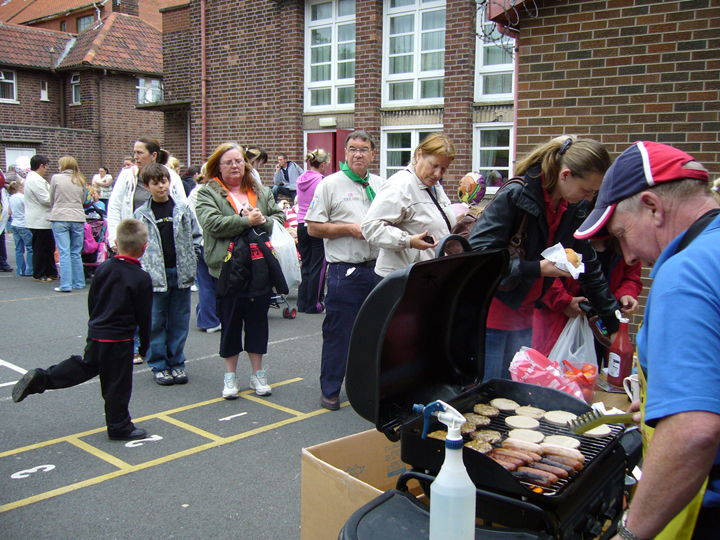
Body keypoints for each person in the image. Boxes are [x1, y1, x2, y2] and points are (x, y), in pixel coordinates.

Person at [573, 141, 720, 540]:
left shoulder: (684, 275)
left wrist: (630, 534)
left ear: (653, 207)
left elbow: (695, 431)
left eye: (621, 234)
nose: (630, 255)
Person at [468, 135, 621, 381]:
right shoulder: (516, 195)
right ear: (566, 175)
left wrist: (614, 326)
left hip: (525, 315)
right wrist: (536, 269)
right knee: (486, 395)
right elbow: (477, 260)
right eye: (587, 190)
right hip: (491, 316)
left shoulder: (574, 207)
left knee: (513, 393)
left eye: (595, 193)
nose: (589, 199)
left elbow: (589, 265)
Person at [12, 218, 153, 441]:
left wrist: (94, 325)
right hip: (120, 339)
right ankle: (119, 425)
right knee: (117, 384)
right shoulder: (141, 278)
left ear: (115, 243)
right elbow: (144, 316)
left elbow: (93, 300)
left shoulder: (104, 268)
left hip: (98, 332)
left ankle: (43, 378)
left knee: (86, 366)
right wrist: (144, 345)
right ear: (144, 248)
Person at [195, 142, 285, 399]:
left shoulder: (262, 191)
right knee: (231, 323)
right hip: (227, 269)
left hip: (260, 268)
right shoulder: (207, 193)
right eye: (228, 162)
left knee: (258, 324)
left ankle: (258, 374)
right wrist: (246, 220)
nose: (234, 166)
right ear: (217, 167)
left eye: (238, 161)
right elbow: (212, 223)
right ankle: (230, 377)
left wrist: (264, 220)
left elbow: (279, 217)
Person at [305, 130, 384, 410]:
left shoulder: (380, 184)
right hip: (345, 272)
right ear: (345, 154)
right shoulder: (329, 185)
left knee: (375, 333)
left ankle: (366, 387)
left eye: (364, 149)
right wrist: (349, 230)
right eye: (352, 149)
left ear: (373, 155)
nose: (358, 154)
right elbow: (313, 227)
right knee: (339, 332)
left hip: (378, 269)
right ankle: (330, 389)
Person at [134, 163, 201, 386]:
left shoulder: (182, 209)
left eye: (164, 181)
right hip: (155, 277)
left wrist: (194, 258)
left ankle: (177, 363)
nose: (161, 186)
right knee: (155, 322)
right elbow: (137, 245)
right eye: (155, 183)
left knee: (179, 321)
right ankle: (159, 365)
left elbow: (196, 236)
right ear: (147, 186)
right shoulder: (141, 214)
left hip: (181, 273)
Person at [362, 132, 457, 280]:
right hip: (401, 279)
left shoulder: (434, 186)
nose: (438, 174)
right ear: (419, 155)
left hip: (425, 276)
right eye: (434, 165)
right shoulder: (400, 185)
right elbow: (370, 227)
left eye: (444, 168)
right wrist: (408, 241)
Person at [532, 235, 642, 358]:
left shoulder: (624, 242)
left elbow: (631, 276)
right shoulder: (569, 231)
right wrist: (565, 301)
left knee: (591, 369)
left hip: (602, 322)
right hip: (558, 320)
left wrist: (626, 294)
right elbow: (543, 271)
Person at [107, 137, 187, 251]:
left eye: (139, 153)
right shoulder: (126, 176)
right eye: (134, 152)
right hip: (134, 241)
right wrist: (114, 239)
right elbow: (114, 206)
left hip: (166, 242)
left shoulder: (171, 176)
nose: (135, 157)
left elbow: (183, 208)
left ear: (153, 155)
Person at [187, 163, 221, 333]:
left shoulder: (197, 192)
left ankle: (208, 319)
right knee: (210, 283)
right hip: (208, 242)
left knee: (206, 283)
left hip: (201, 242)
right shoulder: (209, 192)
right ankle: (209, 320)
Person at [295, 149, 329, 314]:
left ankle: (302, 303)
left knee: (306, 265)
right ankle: (314, 304)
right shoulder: (322, 181)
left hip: (301, 224)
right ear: (323, 164)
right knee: (318, 266)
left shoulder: (301, 179)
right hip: (316, 224)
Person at [49, 156, 87, 292]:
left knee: (64, 252)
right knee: (76, 252)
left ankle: (65, 284)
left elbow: (51, 197)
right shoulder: (81, 179)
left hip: (60, 216)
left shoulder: (56, 178)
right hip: (77, 217)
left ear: (63, 166)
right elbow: (83, 199)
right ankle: (79, 282)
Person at [24, 154, 59, 282]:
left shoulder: (36, 179)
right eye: (46, 166)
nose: (46, 169)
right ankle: (39, 273)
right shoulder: (35, 180)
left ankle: (51, 272)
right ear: (41, 166)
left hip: (43, 219)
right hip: (39, 220)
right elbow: (45, 199)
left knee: (48, 247)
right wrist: (58, 198)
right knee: (41, 248)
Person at [8, 181, 33, 276]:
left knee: (18, 248)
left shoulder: (11, 197)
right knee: (30, 247)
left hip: (14, 224)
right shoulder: (23, 198)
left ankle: (20, 270)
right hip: (23, 224)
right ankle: (30, 269)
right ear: (20, 187)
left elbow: (9, 212)